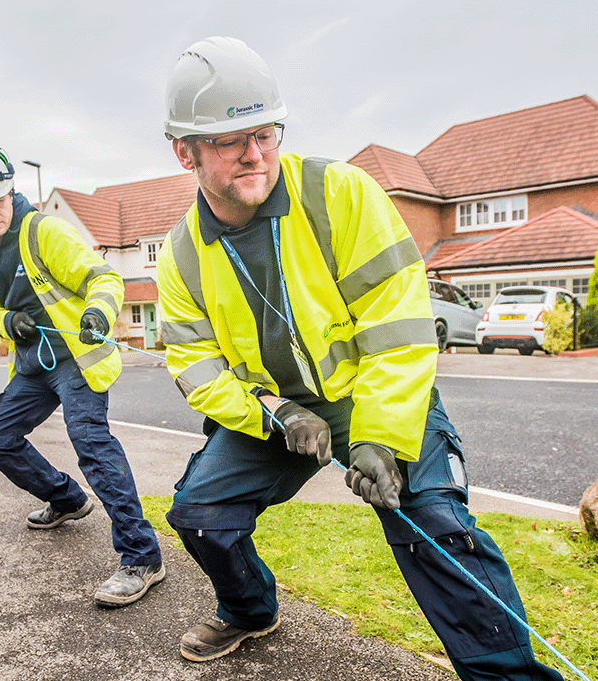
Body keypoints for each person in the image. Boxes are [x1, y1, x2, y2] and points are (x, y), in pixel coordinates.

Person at [156, 37, 564, 680]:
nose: (255, 153)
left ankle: (509, 677)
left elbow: (398, 331)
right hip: (279, 411)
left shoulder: (339, 195)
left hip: (371, 391)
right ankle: (250, 608)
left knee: (430, 517)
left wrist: (378, 436)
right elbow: (197, 370)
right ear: (185, 150)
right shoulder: (180, 257)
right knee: (199, 514)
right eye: (231, 140)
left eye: (266, 132)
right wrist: (277, 414)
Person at [0, 145, 165, 607]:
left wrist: (100, 314)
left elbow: (104, 278)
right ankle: (65, 499)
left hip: (77, 360)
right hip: (31, 365)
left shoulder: (44, 230)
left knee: (91, 444)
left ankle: (143, 557)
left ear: (11, 192)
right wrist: (6, 322)